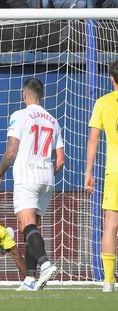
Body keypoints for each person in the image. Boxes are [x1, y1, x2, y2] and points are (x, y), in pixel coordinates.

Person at [0, 78, 64, 291]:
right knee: (31, 229)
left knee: (27, 227)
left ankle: (46, 264)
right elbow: (60, 160)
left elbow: (11, 150)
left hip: (27, 176)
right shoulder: (53, 119)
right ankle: (30, 279)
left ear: (24, 94)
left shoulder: (20, 115)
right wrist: (46, 172)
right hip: (47, 178)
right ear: (41, 95)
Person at [85, 60, 118, 293]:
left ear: (111, 78)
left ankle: (108, 281)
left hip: (114, 171)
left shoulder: (103, 103)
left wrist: (88, 172)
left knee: (111, 225)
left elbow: (93, 139)